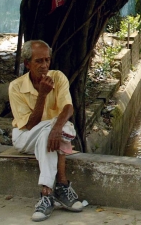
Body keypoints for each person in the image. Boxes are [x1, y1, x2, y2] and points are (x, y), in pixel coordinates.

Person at [9, 40, 84, 222]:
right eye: (38, 61)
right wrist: (42, 94)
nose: (44, 65)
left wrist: (56, 128)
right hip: (25, 136)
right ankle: (62, 186)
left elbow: (68, 108)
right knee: (60, 130)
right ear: (27, 64)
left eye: (47, 60)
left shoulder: (58, 77)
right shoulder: (16, 87)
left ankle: (47, 193)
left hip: (51, 135)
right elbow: (29, 125)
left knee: (49, 133)